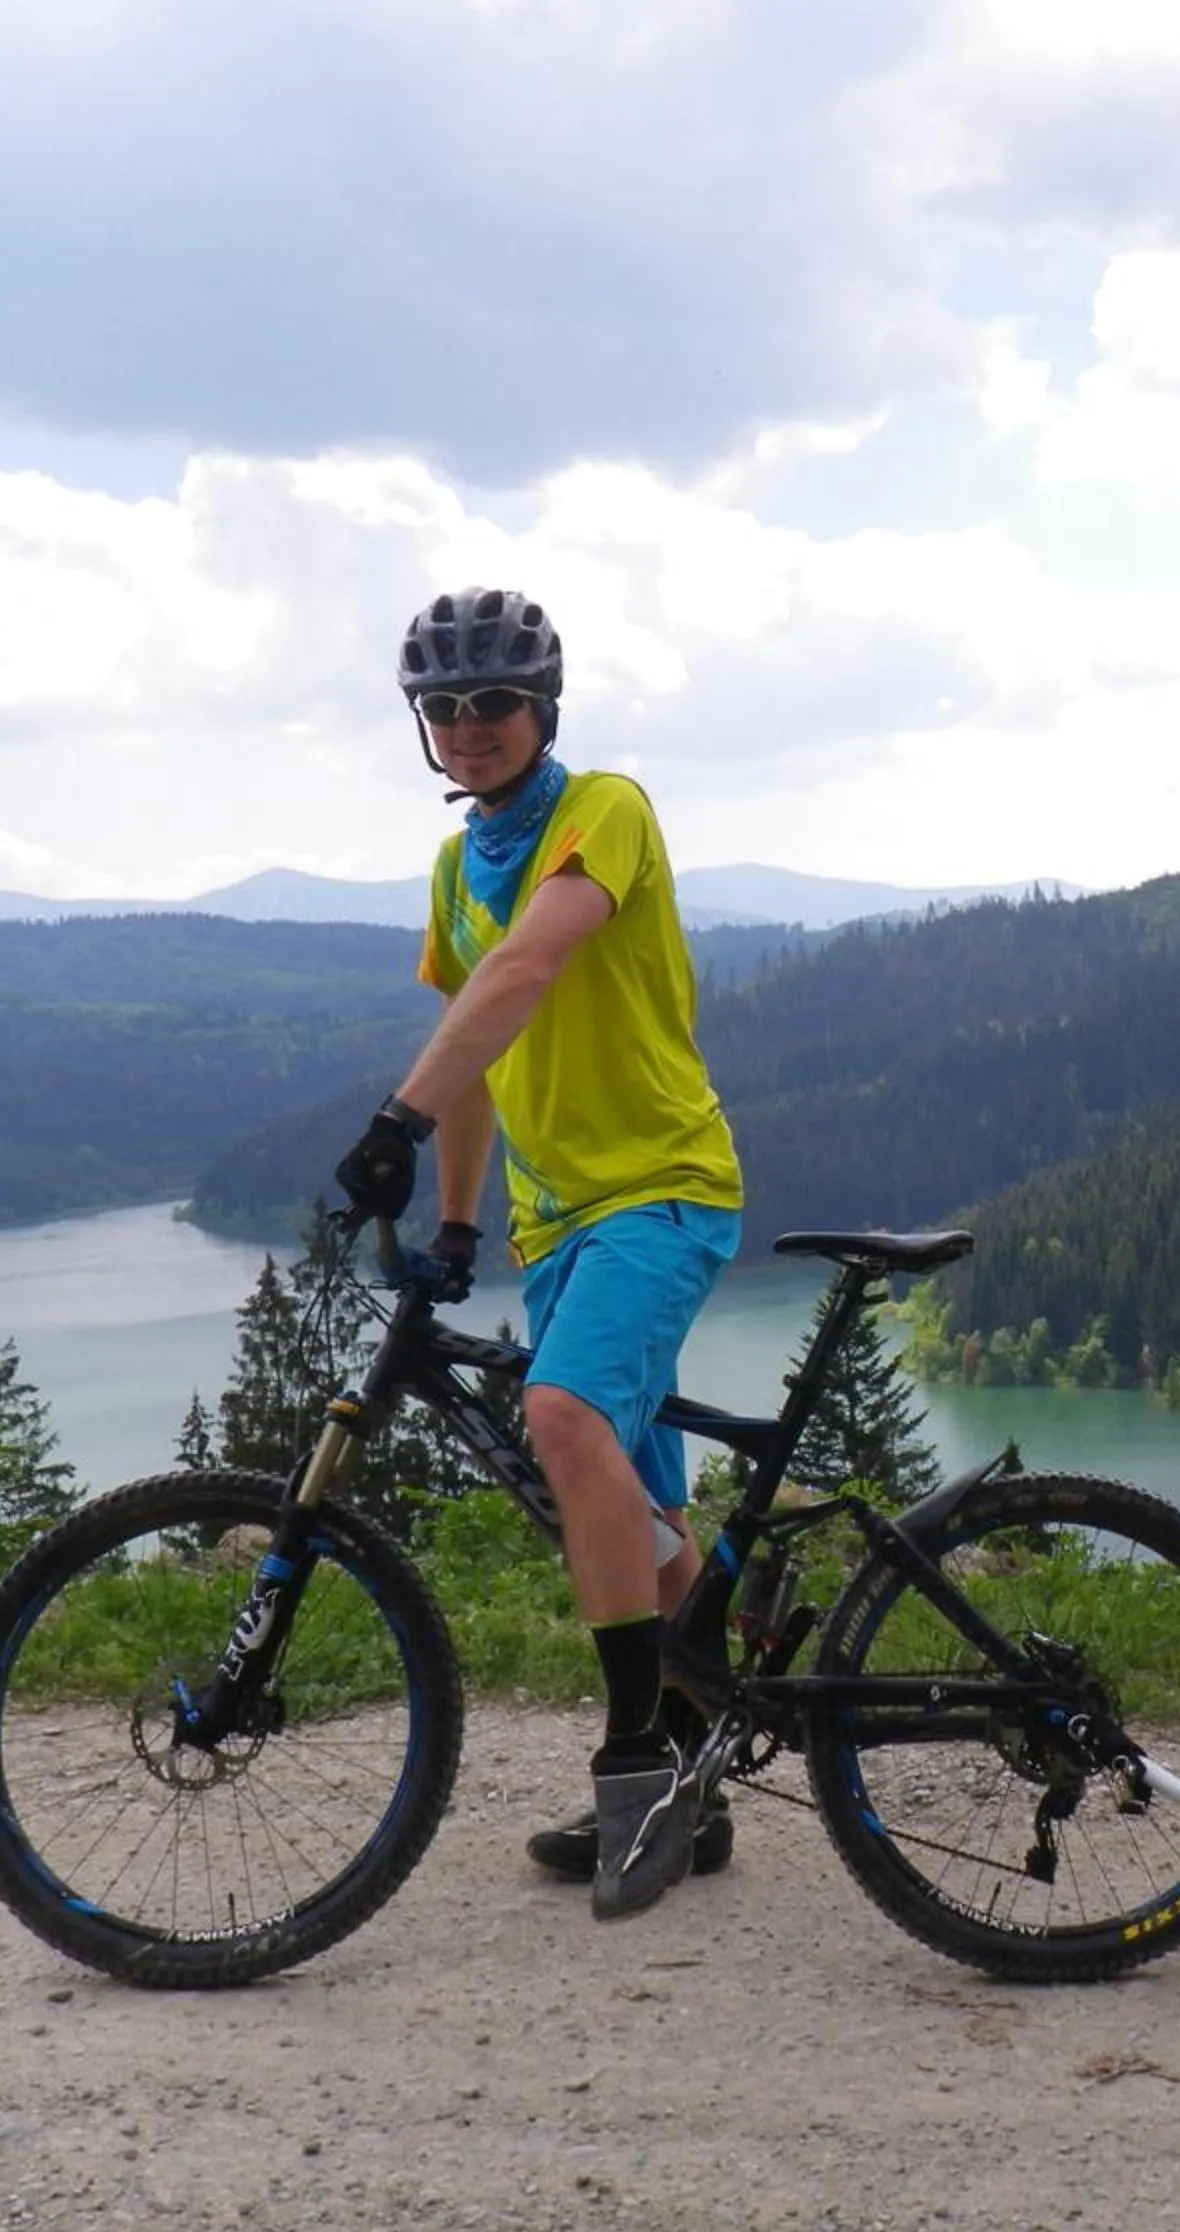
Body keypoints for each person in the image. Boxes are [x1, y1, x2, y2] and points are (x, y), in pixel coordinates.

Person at [333, 587, 745, 1921]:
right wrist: (457, 1220)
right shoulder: (457, 871)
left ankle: (634, 1760)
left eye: (493, 702)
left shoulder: (601, 809)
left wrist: (388, 1117)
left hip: (664, 1191)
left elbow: (521, 977)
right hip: (560, 1224)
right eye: (442, 709)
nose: (468, 728)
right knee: (646, 1513)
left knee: (562, 1416)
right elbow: (479, 1064)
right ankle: (703, 1766)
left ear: (543, 709)